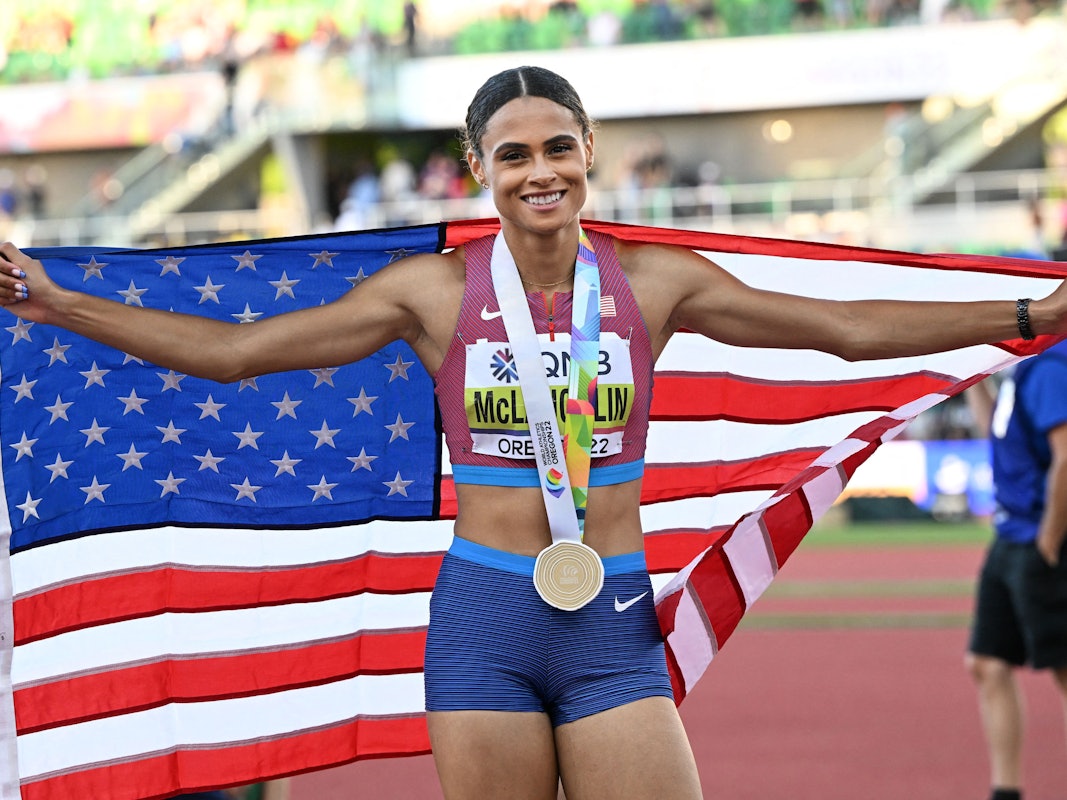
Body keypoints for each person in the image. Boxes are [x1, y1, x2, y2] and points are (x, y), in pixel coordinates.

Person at [3, 65, 1067, 799]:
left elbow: (840, 330)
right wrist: (61, 302)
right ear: (479, 168)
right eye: (512, 154)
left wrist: (1023, 316)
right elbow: (241, 353)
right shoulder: (431, 290)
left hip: (606, 619)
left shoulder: (651, 284)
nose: (539, 170)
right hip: (481, 623)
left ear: (589, 150)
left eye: (558, 146)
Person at [965, 344, 1067, 800]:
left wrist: (1048, 538)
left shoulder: (1049, 368)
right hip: (1010, 538)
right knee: (987, 663)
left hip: (1038, 540)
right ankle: (1005, 793)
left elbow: (1066, 457)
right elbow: (996, 431)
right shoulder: (1022, 368)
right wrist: (969, 375)